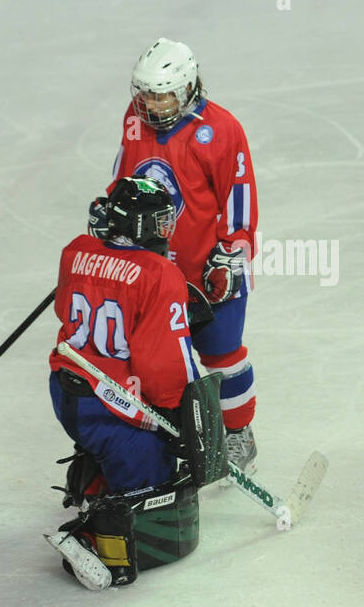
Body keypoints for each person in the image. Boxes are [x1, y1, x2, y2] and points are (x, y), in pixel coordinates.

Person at [92, 38, 259, 474]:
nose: (151, 103)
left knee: (223, 355)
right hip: (152, 271)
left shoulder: (220, 129)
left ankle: (238, 437)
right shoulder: (135, 120)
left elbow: (238, 195)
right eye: (145, 93)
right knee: (153, 360)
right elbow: (124, 176)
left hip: (207, 268)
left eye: (162, 93)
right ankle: (165, 442)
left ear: (187, 88)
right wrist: (112, 212)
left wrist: (232, 251)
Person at [47, 176, 203, 589]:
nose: (168, 230)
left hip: (67, 387)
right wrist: (179, 413)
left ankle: (94, 476)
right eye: (162, 222)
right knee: (154, 480)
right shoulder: (160, 273)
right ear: (142, 227)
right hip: (112, 402)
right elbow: (163, 362)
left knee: (113, 444)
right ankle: (91, 533)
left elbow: (66, 307)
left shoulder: (76, 252)